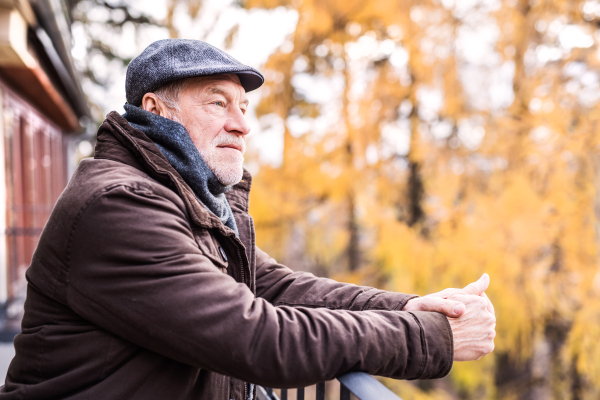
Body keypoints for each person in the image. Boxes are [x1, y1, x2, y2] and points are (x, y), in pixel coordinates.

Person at [0, 39, 495, 400]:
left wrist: (410, 307)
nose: (241, 123)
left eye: (243, 106)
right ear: (155, 110)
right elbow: (258, 338)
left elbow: (271, 284)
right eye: (218, 102)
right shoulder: (119, 205)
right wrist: (431, 338)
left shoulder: (189, 198)